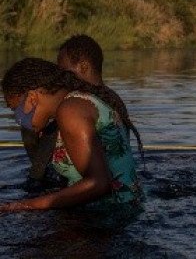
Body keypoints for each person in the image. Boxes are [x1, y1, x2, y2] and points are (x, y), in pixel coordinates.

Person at [0, 58, 142, 211]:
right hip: (121, 208)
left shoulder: (70, 111)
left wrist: (24, 206)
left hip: (108, 214)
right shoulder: (78, 102)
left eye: (15, 110)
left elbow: (99, 183)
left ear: (33, 98)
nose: (19, 120)